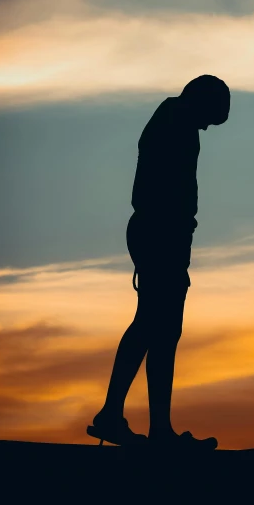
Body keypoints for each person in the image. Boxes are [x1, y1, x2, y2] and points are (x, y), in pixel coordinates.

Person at [87, 74, 230, 449]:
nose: (206, 127)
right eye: (209, 118)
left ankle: (145, 424)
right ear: (199, 102)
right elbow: (165, 191)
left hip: (162, 235)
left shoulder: (174, 119)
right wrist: (173, 233)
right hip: (159, 235)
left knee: (160, 329)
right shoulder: (176, 122)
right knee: (154, 325)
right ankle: (124, 419)